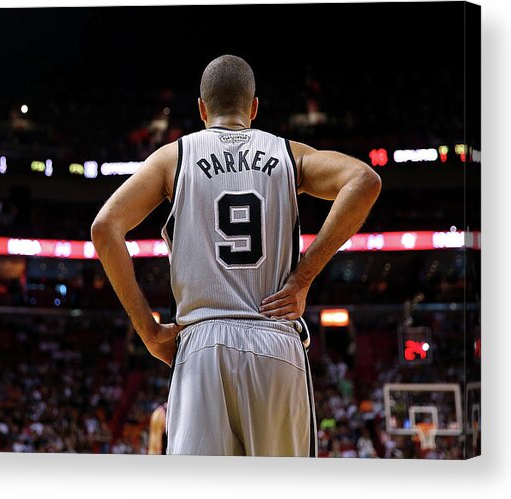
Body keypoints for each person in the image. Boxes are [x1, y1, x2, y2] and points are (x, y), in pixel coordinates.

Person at [91, 54, 381, 456]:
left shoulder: (173, 157)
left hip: (201, 344)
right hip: (276, 339)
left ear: (201, 108)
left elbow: (105, 228)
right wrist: (303, 278)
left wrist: (150, 334)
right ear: (254, 107)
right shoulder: (287, 153)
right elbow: (364, 180)